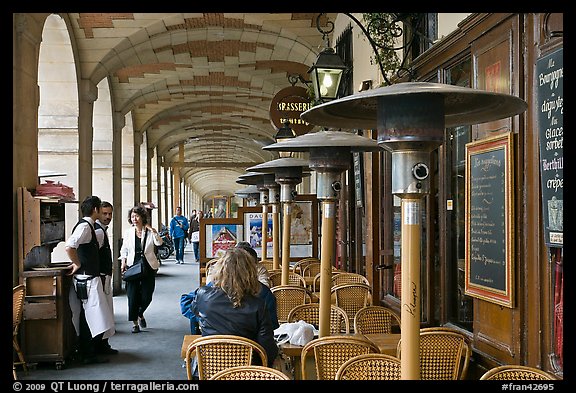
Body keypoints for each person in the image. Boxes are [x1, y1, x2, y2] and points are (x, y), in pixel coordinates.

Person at [190, 248, 278, 372]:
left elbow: (193, 311)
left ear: (219, 269)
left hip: (210, 367)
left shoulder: (203, 295)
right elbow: (267, 347)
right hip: (246, 369)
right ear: (250, 272)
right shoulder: (258, 304)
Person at [66, 195, 115, 364]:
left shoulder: (89, 226)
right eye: (101, 210)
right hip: (87, 279)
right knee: (91, 316)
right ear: (95, 210)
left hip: (88, 278)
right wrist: (77, 263)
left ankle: (91, 350)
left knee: (93, 315)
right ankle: (88, 353)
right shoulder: (86, 227)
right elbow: (70, 246)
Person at [120, 205, 163, 333]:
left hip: (148, 266)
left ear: (143, 217)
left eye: (137, 216)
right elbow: (124, 249)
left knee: (147, 295)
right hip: (133, 266)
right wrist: (123, 262)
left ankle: (140, 313)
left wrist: (153, 231)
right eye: (132, 216)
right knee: (132, 295)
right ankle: (134, 324)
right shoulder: (128, 232)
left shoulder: (149, 231)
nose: (134, 219)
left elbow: (159, 243)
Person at [93, 201, 118, 355]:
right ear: (97, 213)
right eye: (104, 214)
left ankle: (104, 344)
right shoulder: (98, 232)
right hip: (101, 277)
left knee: (107, 310)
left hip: (104, 276)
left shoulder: (102, 230)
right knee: (103, 311)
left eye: (110, 214)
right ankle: (100, 345)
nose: (108, 217)